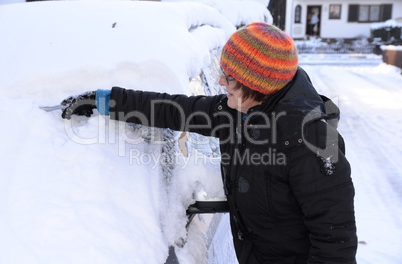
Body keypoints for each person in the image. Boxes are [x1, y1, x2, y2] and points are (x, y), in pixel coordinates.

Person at [61, 23, 357, 263]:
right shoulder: (240, 111)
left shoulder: (313, 139)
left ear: (256, 84)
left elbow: (335, 240)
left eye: (228, 78)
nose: (220, 83)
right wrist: (104, 100)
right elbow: (174, 109)